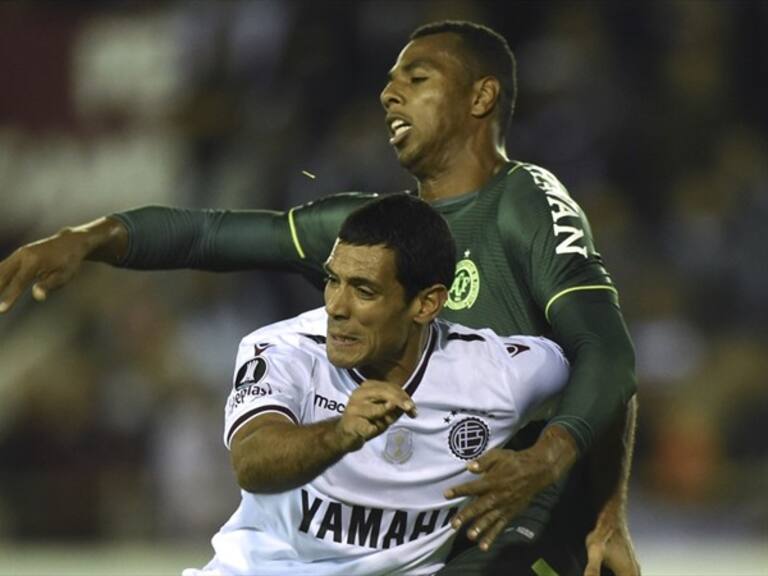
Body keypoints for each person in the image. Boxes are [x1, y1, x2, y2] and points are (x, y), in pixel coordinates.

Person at [0, 20, 638, 576]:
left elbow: (606, 352)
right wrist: (91, 237)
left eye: (416, 79)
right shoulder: (371, 235)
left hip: (513, 507)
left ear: (482, 96)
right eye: (390, 80)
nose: (390, 93)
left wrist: (600, 506)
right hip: (402, 526)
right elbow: (213, 234)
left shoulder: (523, 200)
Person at [184, 193, 570, 576]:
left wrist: (553, 472)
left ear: (426, 305)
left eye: (363, 290)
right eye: (333, 280)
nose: (336, 306)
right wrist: (339, 435)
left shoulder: (497, 372)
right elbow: (252, 463)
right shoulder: (285, 350)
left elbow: (605, 373)